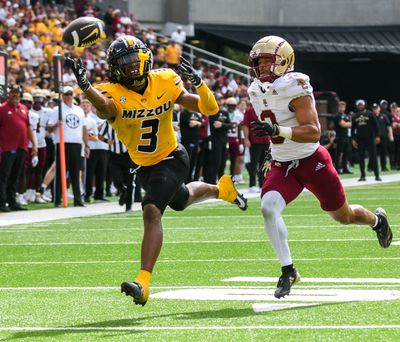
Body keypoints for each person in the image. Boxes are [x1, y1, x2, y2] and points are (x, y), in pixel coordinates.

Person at [65, 35, 248, 306]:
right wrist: (86, 87)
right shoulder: (110, 90)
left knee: (151, 210)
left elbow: (210, 108)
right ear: (115, 67)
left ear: (145, 58)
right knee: (182, 199)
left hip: (173, 156)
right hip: (144, 165)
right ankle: (223, 189)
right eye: (124, 62)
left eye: (133, 59)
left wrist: (198, 82)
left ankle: (143, 282)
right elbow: (105, 111)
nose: (130, 66)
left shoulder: (165, 79)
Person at [247, 35, 393, 299]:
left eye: (269, 61)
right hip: (283, 164)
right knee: (268, 208)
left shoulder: (296, 85)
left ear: (284, 61)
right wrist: (272, 148)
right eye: (259, 62)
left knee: (344, 216)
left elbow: (314, 131)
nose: (263, 67)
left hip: (312, 161)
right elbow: (272, 126)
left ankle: (376, 220)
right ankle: (288, 269)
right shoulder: (254, 90)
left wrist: (278, 130)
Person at [47, 86, 90, 207]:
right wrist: (56, 125)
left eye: (70, 94)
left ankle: (78, 199)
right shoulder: (57, 110)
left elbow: (84, 129)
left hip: (76, 143)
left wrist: (86, 145)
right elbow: (49, 128)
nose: (68, 96)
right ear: (62, 95)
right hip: (62, 142)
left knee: (75, 172)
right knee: (60, 172)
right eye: (66, 94)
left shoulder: (79, 110)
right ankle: (57, 199)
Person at [0, 84, 37, 211]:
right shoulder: (2, 109)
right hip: (7, 147)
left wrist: (34, 145)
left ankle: (12, 201)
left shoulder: (24, 109)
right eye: (13, 92)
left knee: (15, 176)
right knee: (4, 175)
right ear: (9, 94)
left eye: (17, 93)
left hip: (22, 147)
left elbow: (28, 127)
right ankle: (1, 202)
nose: (15, 95)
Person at [351, 99, 380, 181]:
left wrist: (377, 136)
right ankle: (363, 176)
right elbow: (353, 129)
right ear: (357, 106)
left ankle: (377, 175)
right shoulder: (355, 116)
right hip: (360, 139)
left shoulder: (370, 114)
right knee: (361, 158)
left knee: (373, 156)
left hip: (370, 138)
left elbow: (376, 125)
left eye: (361, 105)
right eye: (359, 105)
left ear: (364, 105)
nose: (360, 106)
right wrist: (353, 139)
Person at [333, 101, 352, 174]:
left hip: (346, 137)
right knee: (338, 153)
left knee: (346, 153)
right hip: (340, 137)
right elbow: (342, 124)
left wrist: (348, 123)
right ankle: (337, 169)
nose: (342, 108)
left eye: (343, 107)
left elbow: (349, 124)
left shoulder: (345, 115)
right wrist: (349, 123)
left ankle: (345, 169)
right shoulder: (337, 115)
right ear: (338, 107)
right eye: (341, 107)